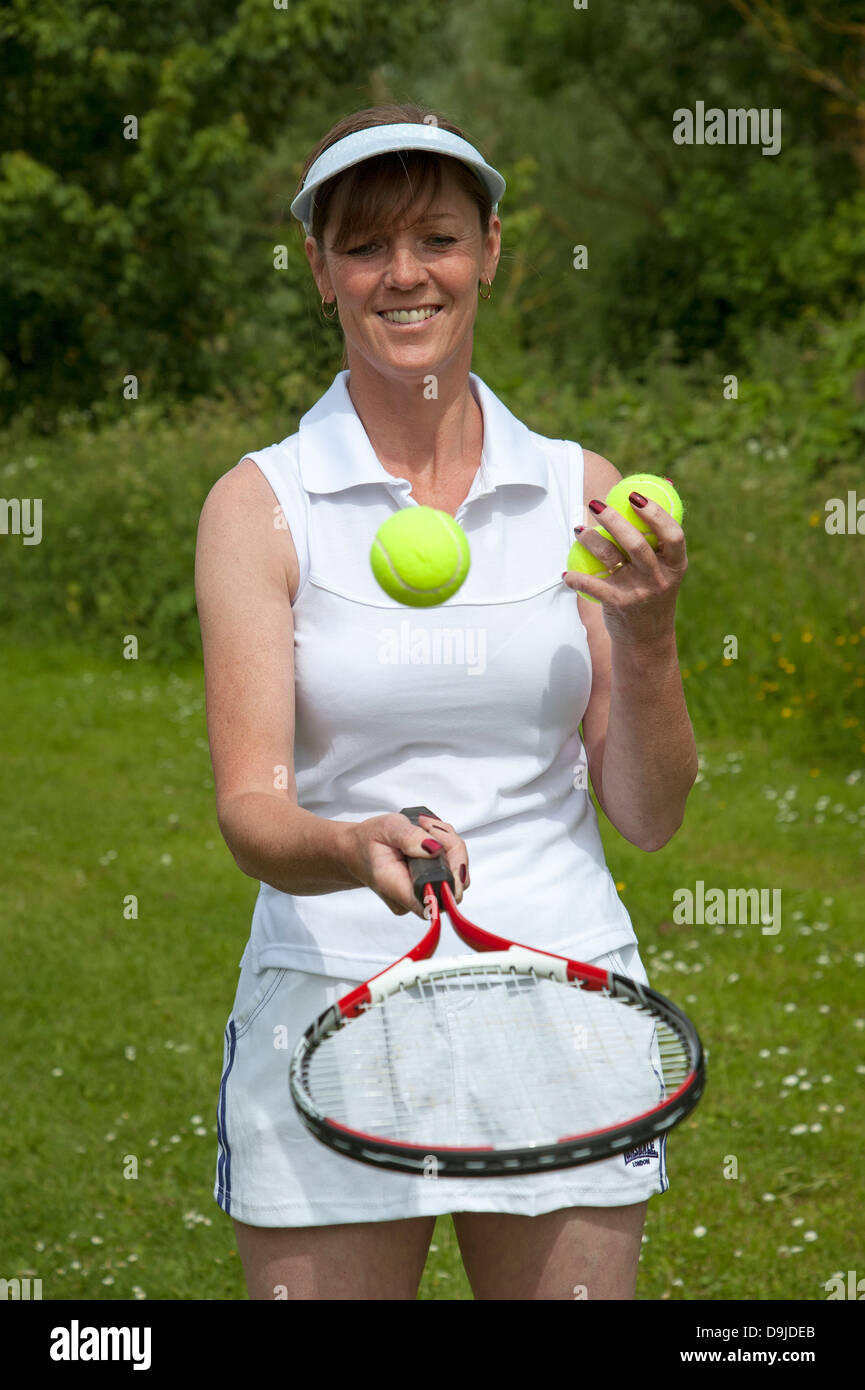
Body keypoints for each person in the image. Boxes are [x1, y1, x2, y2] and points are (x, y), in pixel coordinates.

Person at [195, 102, 698, 1301]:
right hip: (329, 1004)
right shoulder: (261, 504)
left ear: (490, 251)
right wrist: (347, 843)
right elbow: (250, 811)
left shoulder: (575, 486)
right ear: (318, 269)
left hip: (560, 989)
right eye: (364, 245)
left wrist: (650, 634)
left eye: (436, 238)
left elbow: (649, 811)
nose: (404, 274)